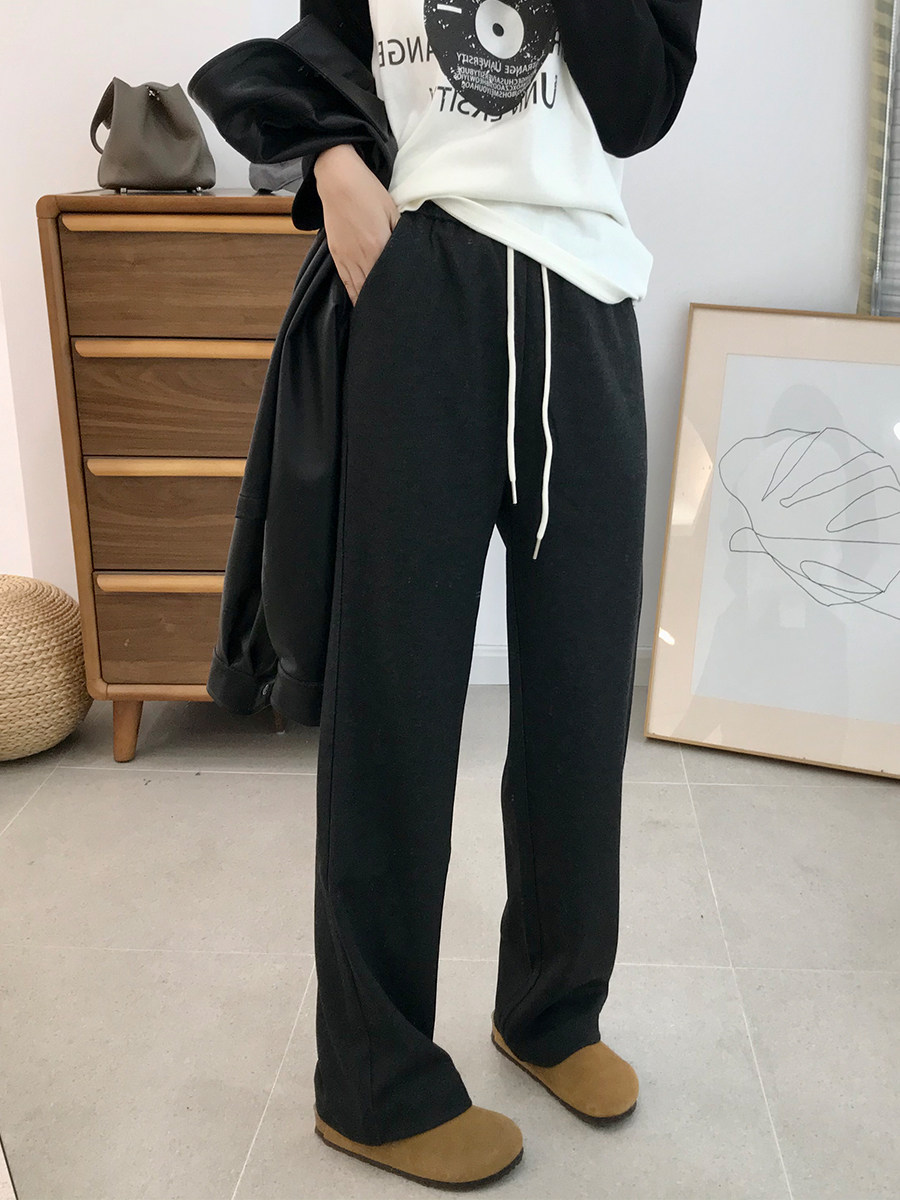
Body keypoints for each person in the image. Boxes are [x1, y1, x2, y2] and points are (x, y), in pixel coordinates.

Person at [302, 0, 703, 1189]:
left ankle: (551, 1009)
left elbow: (639, 105)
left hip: (584, 296)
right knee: (394, 700)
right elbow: (324, 46)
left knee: (583, 691)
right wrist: (332, 167)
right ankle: (373, 1081)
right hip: (422, 284)